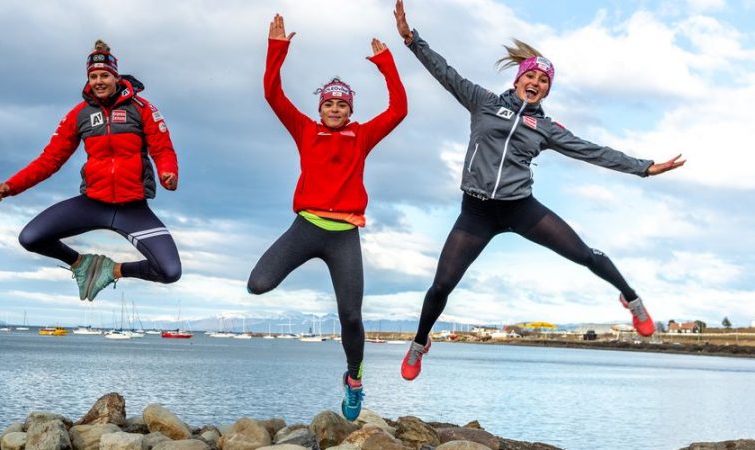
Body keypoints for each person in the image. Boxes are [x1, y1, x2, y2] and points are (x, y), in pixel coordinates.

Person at [392, 0, 685, 381]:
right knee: (441, 286)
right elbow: (446, 73)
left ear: (546, 91)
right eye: (532, 77)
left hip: (520, 208)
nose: (536, 84)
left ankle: (631, 298)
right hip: (476, 213)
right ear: (518, 79)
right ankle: (419, 343)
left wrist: (644, 168)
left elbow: (593, 151)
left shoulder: (545, 128)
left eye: (545, 81)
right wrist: (413, 41)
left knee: (584, 254)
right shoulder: (483, 102)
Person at [247, 14, 407, 420]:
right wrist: (276, 48)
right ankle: (350, 375)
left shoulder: (362, 136)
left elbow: (399, 109)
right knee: (258, 284)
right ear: (321, 108)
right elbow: (272, 94)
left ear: (349, 110)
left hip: (344, 235)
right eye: (329, 104)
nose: (335, 109)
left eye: (341, 104)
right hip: (306, 227)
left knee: (350, 315)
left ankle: (354, 380)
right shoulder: (304, 129)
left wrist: (386, 62)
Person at [0, 40, 181, 302]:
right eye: (93, 76)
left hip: (133, 210)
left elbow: (163, 150)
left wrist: (168, 174)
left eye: (104, 75)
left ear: (116, 77)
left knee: (170, 271)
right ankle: (81, 263)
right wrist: (11, 187)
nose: (99, 81)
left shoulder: (143, 109)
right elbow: (50, 160)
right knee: (31, 237)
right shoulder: (78, 115)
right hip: (92, 203)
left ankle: (110, 270)